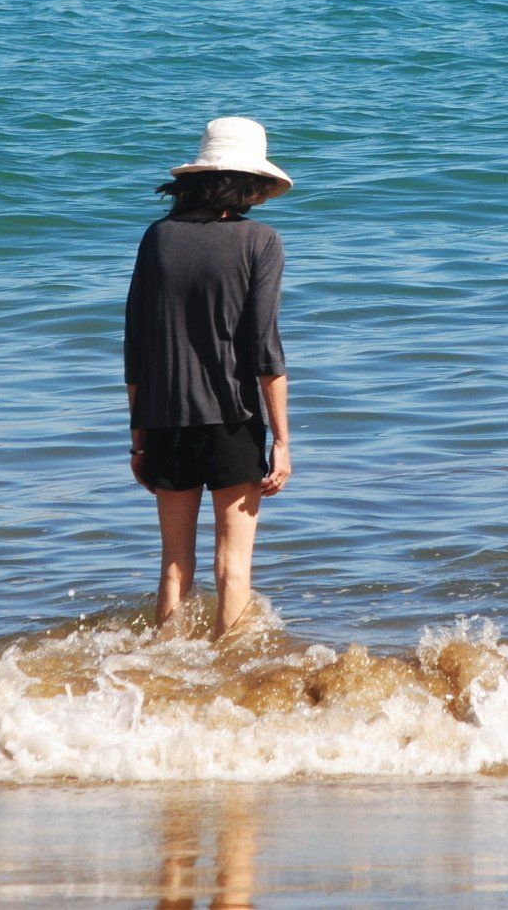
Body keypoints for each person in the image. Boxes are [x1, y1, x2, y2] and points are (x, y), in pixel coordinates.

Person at [124, 117, 293, 637]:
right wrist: (282, 440)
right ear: (248, 183)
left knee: (174, 567)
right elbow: (265, 349)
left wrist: (138, 437)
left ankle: (164, 676)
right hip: (233, 421)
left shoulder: (157, 238)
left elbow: (135, 347)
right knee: (232, 566)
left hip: (165, 420)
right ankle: (226, 686)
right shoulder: (260, 242)